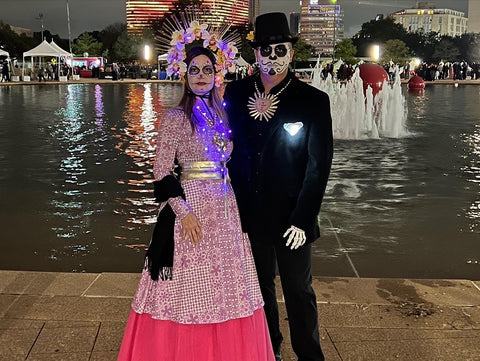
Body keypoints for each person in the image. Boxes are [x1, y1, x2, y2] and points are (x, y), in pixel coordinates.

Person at [117, 45, 274, 361]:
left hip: (225, 207)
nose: (200, 76)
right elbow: (160, 169)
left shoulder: (222, 113)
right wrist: (182, 212)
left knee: (229, 287)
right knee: (192, 288)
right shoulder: (176, 117)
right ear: (184, 75)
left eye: (206, 70)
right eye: (193, 70)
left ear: (216, 74)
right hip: (193, 207)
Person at [224, 12, 334, 361]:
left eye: (279, 49)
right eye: (265, 49)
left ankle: (309, 354)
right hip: (248, 215)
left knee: (299, 290)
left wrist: (303, 219)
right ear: (255, 54)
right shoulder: (236, 93)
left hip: (291, 219)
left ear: (290, 51)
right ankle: (268, 350)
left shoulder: (312, 101)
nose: (272, 56)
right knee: (259, 290)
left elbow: (318, 168)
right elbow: (222, 145)